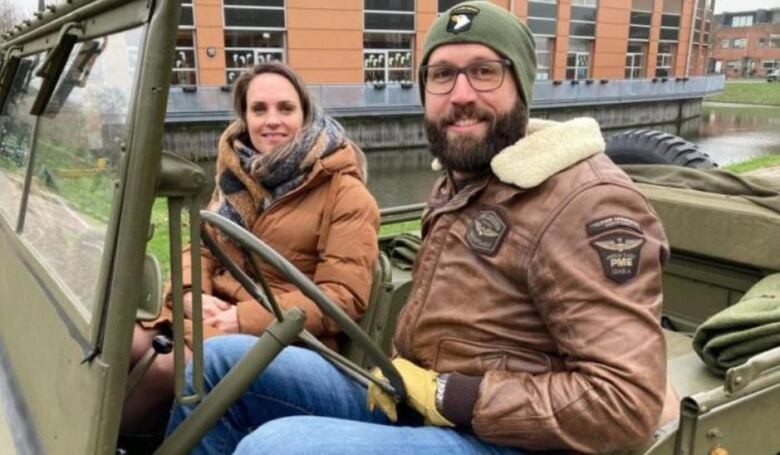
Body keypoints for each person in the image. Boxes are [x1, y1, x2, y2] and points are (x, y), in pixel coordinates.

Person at [167, 2, 679, 453]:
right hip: (407, 392)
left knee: (274, 449)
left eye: (484, 71)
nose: (460, 94)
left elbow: (626, 402)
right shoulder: (466, 177)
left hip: (503, 436)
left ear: (522, 84)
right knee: (216, 367)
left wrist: (448, 396)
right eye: (441, 75)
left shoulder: (584, 202)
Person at [122, 62, 380, 432]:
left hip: (280, 334)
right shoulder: (239, 174)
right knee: (122, 342)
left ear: (305, 115)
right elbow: (204, 245)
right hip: (213, 312)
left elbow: (341, 298)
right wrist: (192, 291)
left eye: (285, 108)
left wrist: (244, 318)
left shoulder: (345, 193)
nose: (271, 120)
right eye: (259, 109)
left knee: (163, 369)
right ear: (244, 116)